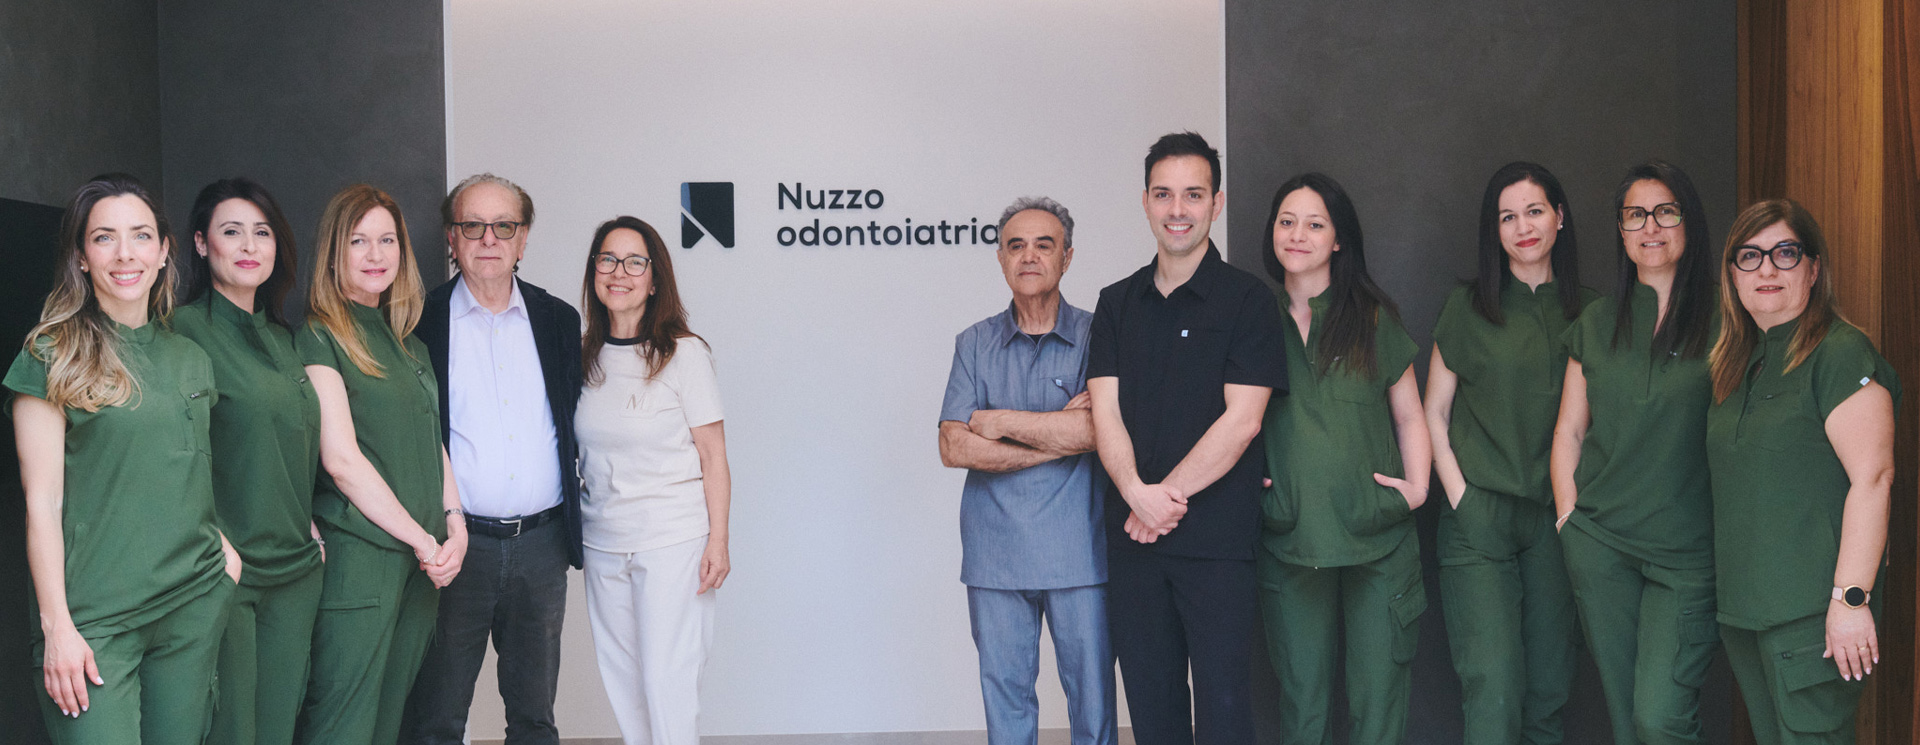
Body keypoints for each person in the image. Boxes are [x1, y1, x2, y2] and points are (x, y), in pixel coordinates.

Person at [7, 173, 241, 742]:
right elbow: (42, 504)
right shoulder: (51, 354)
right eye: (104, 238)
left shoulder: (190, 357)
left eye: (140, 236)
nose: (124, 254)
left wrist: (225, 564)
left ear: (164, 252)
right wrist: (57, 628)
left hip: (190, 605)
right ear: (81, 258)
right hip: (95, 624)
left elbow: (187, 473)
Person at [1087, 132, 1285, 745]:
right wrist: (1134, 493)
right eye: (1164, 194)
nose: (1178, 209)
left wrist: (1160, 500)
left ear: (1216, 203)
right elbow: (1104, 412)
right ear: (1145, 201)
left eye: (1193, 195)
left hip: (1217, 545)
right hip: (1133, 546)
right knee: (1153, 714)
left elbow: (1243, 420)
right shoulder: (1115, 303)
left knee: (1225, 713)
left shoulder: (1250, 301)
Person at [1706, 199, 1898, 745]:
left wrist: (1851, 601)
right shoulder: (1737, 361)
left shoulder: (1840, 353)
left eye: (1785, 253)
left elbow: (1874, 479)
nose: (1766, 268)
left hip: (1814, 619)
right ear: (1733, 275)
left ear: (1813, 269)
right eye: (1750, 256)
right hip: (1746, 616)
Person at [402, 173, 583, 745]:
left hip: (542, 548)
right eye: (472, 225)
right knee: (435, 719)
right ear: (451, 239)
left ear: (523, 239)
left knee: (535, 720)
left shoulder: (558, 320)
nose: (488, 238)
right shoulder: (416, 322)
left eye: (504, 226)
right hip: (454, 548)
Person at [1256, 173, 1429, 745]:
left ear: (1338, 240)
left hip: (1377, 533)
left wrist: (1417, 488)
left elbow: (1410, 416)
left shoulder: (1373, 318)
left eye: (1314, 224)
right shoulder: (1252, 319)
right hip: (1291, 534)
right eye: (1287, 222)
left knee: (1378, 707)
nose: (1297, 234)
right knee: (1302, 708)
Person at [1551, 161, 1720, 745]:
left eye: (1665, 211)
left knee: (1660, 718)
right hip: (1601, 546)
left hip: (1687, 553)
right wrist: (1568, 519)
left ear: (1689, 222)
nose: (1650, 227)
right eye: (1635, 215)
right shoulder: (1597, 322)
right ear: (1620, 231)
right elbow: (1570, 431)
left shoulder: (1729, 318)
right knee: (1626, 721)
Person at [1425, 162, 1594, 744]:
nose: (1523, 227)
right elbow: (1433, 412)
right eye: (1507, 217)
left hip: (1557, 518)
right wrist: (1461, 497)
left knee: (1549, 691)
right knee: (1493, 689)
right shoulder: (1468, 305)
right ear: (1493, 230)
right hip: (1480, 517)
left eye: (1535, 211)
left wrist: (1574, 513)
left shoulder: (1592, 312)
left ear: (1559, 217)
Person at [938, 196, 1116, 745]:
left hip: (1080, 551)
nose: (1029, 256)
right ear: (1000, 259)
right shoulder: (974, 343)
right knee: (1007, 702)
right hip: (995, 555)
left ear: (1067, 257)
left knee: (1093, 703)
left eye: (1044, 244)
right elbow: (953, 446)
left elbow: (1100, 432)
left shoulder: (1101, 334)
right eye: (1016, 246)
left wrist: (997, 422)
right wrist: (1057, 437)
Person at [296, 184, 467, 745]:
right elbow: (341, 460)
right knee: (343, 726)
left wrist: (456, 525)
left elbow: (432, 441)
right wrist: (423, 540)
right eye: (359, 241)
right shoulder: (320, 335)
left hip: (423, 566)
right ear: (334, 252)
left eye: (387, 240)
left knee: (389, 724)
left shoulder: (408, 344)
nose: (376, 255)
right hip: (364, 561)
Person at [171, 177, 324, 745]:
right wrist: (217, 544)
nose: (249, 246)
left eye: (262, 232)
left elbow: (295, 444)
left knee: (278, 730)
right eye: (231, 232)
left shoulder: (284, 337)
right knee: (233, 732)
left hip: (296, 571)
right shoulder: (182, 333)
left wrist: (309, 526)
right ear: (201, 243)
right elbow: (171, 457)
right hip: (229, 570)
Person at [574, 216, 733, 745]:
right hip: (603, 542)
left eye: (634, 262)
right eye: (607, 259)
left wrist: (718, 541)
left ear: (654, 278)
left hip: (673, 542)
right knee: (625, 685)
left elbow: (714, 456)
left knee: (668, 684)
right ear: (594, 271)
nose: (618, 272)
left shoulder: (684, 353)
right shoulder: (584, 355)